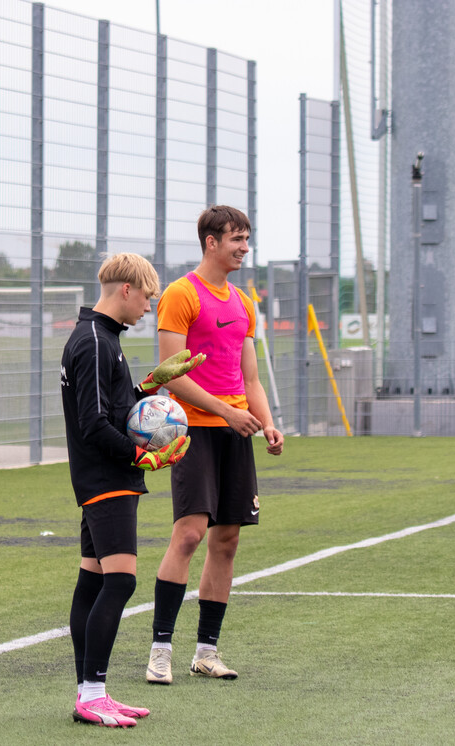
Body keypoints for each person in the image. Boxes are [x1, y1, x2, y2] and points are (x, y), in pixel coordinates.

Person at [60, 252, 205, 727]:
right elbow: (94, 424)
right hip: (107, 480)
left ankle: (90, 693)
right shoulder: (96, 342)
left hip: (101, 478)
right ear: (126, 289)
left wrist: (149, 387)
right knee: (120, 582)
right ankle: (93, 694)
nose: (148, 309)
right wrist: (140, 455)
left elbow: (113, 406)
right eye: (146, 298)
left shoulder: (103, 339)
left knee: (95, 581)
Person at [145, 205, 284, 686]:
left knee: (228, 540)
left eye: (246, 239)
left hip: (236, 431)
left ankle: (206, 652)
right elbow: (170, 376)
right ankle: (160, 649)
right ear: (211, 242)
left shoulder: (245, 303)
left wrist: (266, 423)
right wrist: (226, 412)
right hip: (195, 431)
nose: (244, 247)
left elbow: (249, 377)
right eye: (236, 239)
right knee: (189, 535)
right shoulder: (181, 295)